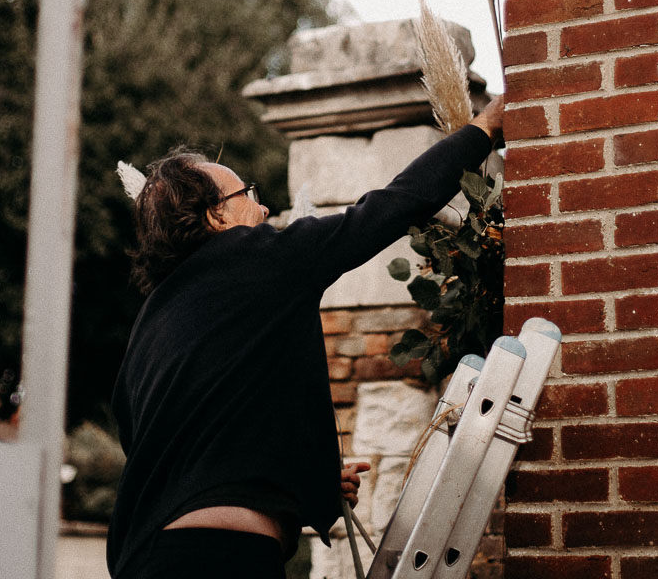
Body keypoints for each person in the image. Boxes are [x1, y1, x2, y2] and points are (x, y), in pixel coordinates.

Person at [106, 96, 504, 579]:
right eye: (247, 194)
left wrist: (299, 476)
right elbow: (391, 205)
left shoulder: (149, 322)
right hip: (221, 559)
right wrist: (482, 128)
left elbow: (185, 444)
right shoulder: (258, 255)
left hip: (143, 560)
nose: (266, 206)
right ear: (216, 217)